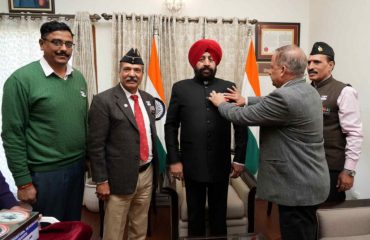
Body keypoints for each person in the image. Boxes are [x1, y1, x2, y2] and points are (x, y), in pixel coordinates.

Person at [208, 45, 330, 240]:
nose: (268, 70)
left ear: (282, 70)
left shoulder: (284, 97)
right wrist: (245, 99)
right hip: (310, 181)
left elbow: (241, 117)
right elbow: (269, 100)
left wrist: (220, 103)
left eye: (271, 66)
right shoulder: (308, 90)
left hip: (296, 188)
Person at [1, 21, 87, 221]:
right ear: (42, 44)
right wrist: (23, 182)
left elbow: (84, 122)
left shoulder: (79, 78)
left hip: (77, 167)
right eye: (56, 42)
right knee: (49, 229)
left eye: (68, 44)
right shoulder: (21, 80)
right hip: (45, 174)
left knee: (72, 226)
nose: (63, 49)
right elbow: (12, 134)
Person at [165, 39, 247, 237]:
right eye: (202, 59)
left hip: (221, 164)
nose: (207, 63)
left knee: (220, 216)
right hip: (192, 165)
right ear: (194, 62)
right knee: (195, 216)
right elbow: (171, 126)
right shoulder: (180, 88)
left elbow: (240, 124)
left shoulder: (228, 88)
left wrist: (239, 159)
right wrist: (174, 160)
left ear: (216, 62)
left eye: (211, 59)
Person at [88, 48, 159, 240]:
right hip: (117, 178)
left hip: (146, 173)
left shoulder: (148, 99)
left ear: (142, 74)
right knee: (114, 231)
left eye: (137, 70)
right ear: (119, 72)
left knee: (139, 227)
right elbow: (95, 145)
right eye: (127, 69)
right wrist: (101, 180)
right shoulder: (103, 101)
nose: (132, 74)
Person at [308, 42, 363, 202]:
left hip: (330, 168)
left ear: (331, 65)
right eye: (309, 62)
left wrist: (349, 171)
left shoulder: (344, 91)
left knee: (328, 217)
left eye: (317, 62)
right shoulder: (305, 90)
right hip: (306, 167)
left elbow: (354, 134)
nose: (310, 66)